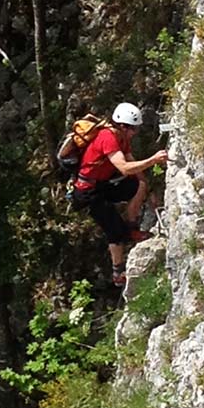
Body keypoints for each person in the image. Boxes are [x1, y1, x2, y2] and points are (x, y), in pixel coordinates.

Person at [70, 102, 168, 287]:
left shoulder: (122, 137)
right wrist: (153, 160)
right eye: (133, 129)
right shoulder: (108, 138)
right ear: (123, 126)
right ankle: (117, 272)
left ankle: (131, 228)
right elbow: (123, 167)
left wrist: (144, 185)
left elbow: (132, 165)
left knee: (135, 186)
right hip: (87, 192)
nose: (135, 133)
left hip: (101, 185)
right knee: (114, 231)